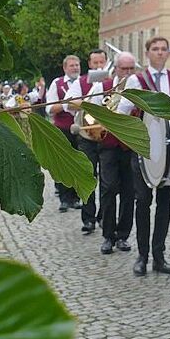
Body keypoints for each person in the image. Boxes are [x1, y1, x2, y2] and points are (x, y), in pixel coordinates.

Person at [118, 36, 170, 277]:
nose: (160, 53)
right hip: (144, 151)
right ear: (147, 53)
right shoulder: (136, 80)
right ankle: (142, 255)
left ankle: (159, 256)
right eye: (155, 49)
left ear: (168, 53)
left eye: (163, 49)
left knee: (165, 205)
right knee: (143, 203)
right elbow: (123, 112)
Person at [76, 51, 137, 255]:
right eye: (124, 69)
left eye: (131, 69)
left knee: (129, 193)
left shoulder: (138, 88)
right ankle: (108, 236)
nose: (128, 73)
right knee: (109, 188)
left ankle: (123, 235)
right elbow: (88, 111)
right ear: (116, 69)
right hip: (108, 145)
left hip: (130, 146)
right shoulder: (102, 86)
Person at [66, 48, 108, 236]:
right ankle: (88, 218)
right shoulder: (81, 82)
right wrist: (90, 100)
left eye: (102, 63)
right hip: (86, 136)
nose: (99, 66)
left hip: (107, 136)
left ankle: (103, 217)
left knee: (108, 182)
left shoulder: (112, 82)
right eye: (95, 63)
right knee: (88, 176)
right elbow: (69, 103)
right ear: (90, 64)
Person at [46, 55, 83, 213]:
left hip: (82, 129)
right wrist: (68, 104)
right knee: (63, 163)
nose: (75, 68)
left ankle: (75, 197)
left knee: (79, 164)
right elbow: (50, 108)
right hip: (63, 128)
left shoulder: (84, 82)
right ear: (65, 68)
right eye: (72, 66)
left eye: (77, 65)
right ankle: (64, 199)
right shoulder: (57, 83)